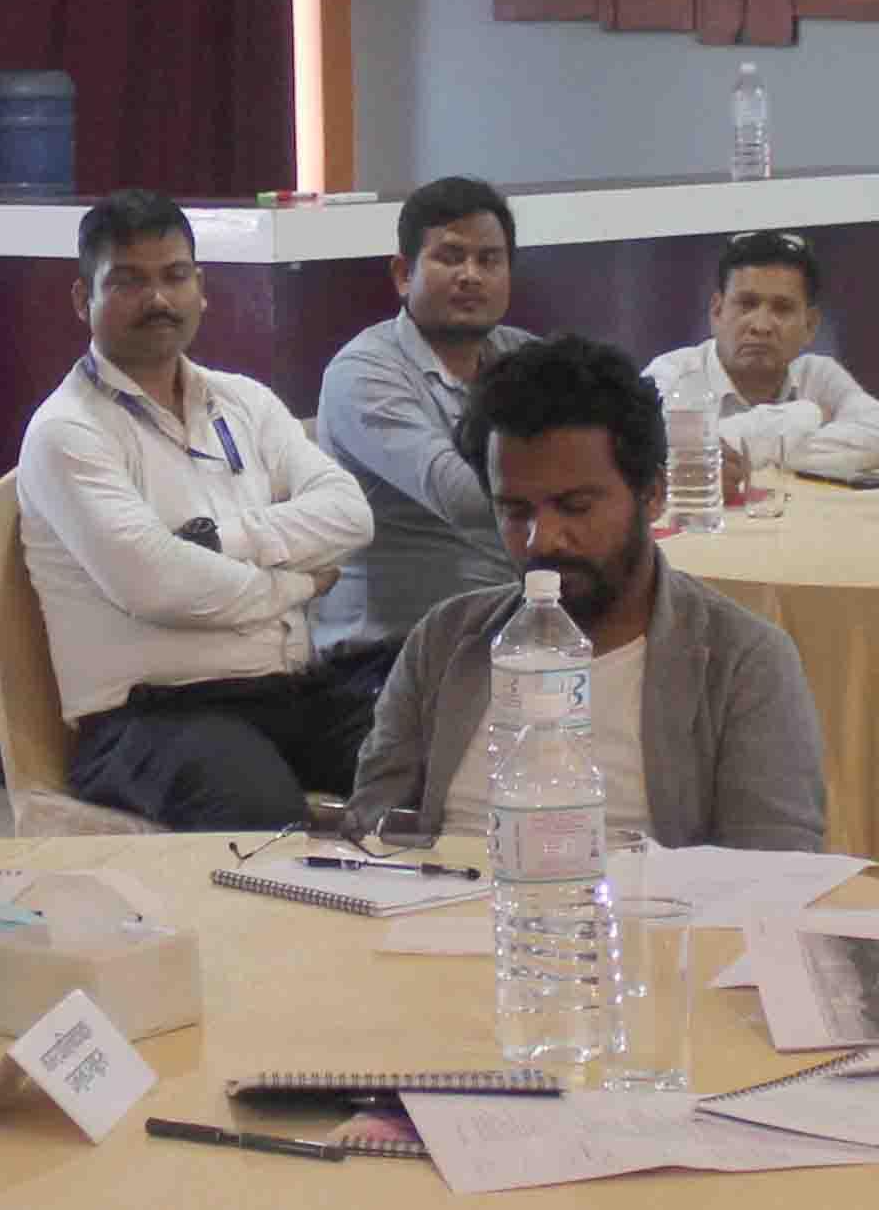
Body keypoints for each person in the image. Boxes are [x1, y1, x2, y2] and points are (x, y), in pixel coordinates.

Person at [343, 336, 829, 854]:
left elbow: (776, 873)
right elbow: (370, 833)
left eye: (575, 507)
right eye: (514, 511)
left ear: (653, 494)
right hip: (441, 900)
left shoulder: (741, 661)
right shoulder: (445, 640)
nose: (542, 539)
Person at [14, 188, 382, 826]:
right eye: (128, 281)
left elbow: (350, 515)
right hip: (153, 718)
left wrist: (220, 541)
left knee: (433, 744)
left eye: (175, 276)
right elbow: (159, 586)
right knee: (259, 812)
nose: (158, 299)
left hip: (292, 692)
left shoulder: (244, 401)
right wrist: (295, 585)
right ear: (83, 299)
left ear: (201, 288)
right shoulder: (67, 431)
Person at [310, 175, 536, 656]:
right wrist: (580, 493)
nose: (471, 275)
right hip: (391, 654)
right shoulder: (364, 373)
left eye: (489, 260)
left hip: (507, 629)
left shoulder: (524, 357)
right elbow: (464, 499)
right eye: (450, 257)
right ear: (403, 274)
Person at [641, 228, 879, 483]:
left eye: (782, 309)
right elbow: (656, 455)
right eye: (746, 305)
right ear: (717, 311)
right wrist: (804, 415)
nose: (761, 325)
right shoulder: (671, 374)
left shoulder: (818, 374)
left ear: (810, 325)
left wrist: (741, 452)